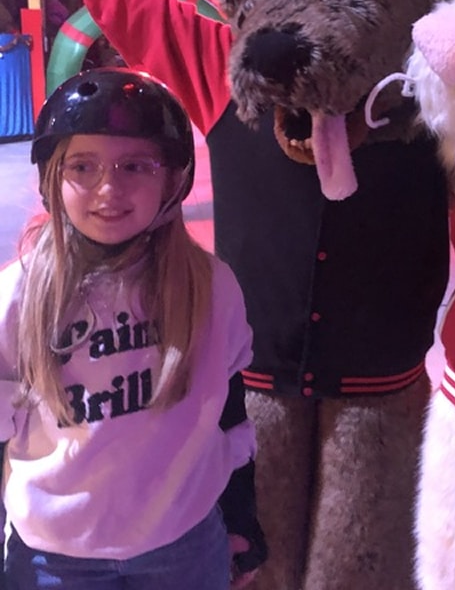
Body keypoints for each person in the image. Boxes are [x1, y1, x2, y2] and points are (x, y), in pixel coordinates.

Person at [0, 68, 266, 589]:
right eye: (83, 166)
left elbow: (229, 411)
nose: (108, 188)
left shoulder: (210, 286)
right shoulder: (19, 295)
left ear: (172, 177)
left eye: (134, 166)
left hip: (184, 544)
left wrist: (241, 515)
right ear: (53, 177)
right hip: (54, 557)